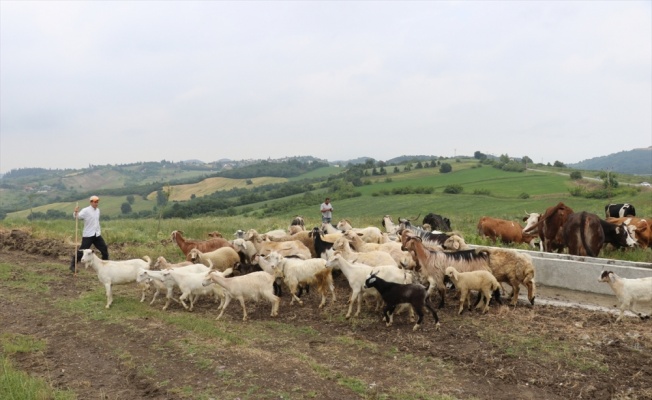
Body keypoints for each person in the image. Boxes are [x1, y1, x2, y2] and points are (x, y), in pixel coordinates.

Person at [70, 195, 109, 273]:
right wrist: (75, 212)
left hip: (97, 234)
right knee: (82, 251)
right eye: (94, 201)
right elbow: (77, 216)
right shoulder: (86, 210)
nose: (96, 203)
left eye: (97, 201)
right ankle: (73, 265)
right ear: (91, 202)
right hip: (88, 235)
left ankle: (106, 265)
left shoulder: (98, 210)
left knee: (104, 249)